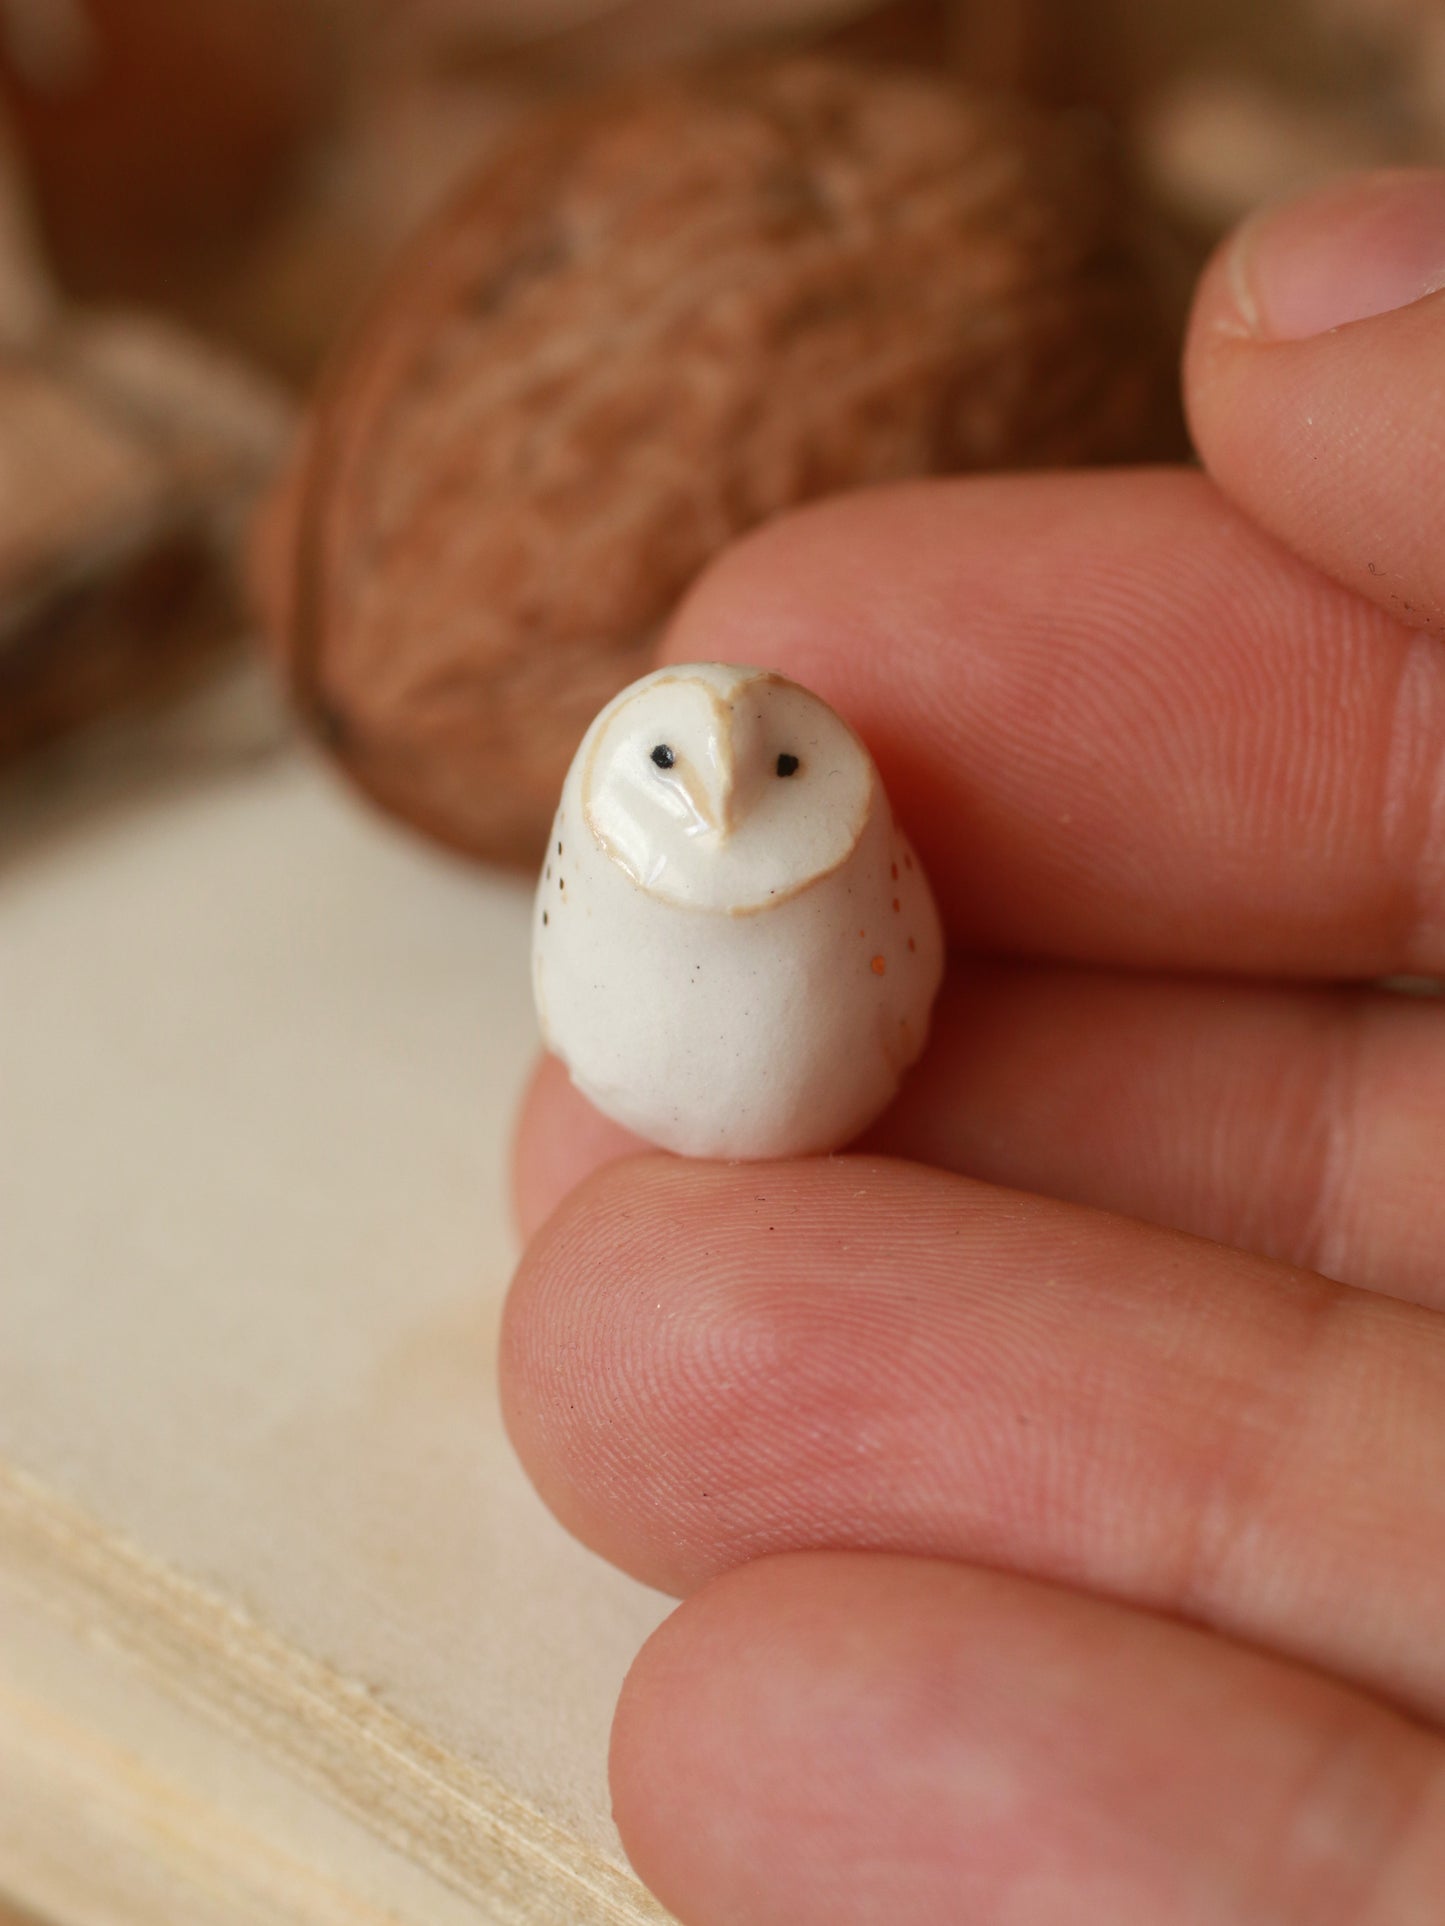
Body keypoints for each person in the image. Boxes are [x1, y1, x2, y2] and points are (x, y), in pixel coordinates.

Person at [503, 169, 1445, 1924]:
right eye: (675, 775)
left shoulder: (862, 874)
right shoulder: (600, 892)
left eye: (762, 770)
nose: (717, 793)